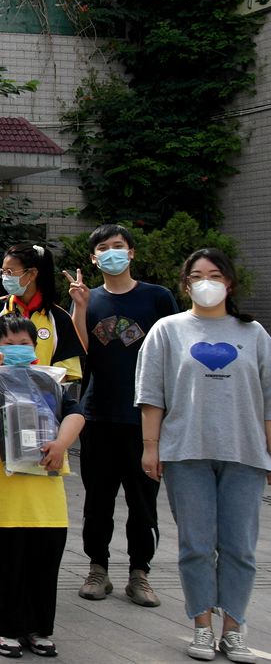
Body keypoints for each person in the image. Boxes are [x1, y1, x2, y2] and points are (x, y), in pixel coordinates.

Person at [136, 247, 271, 664]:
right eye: (196, 276)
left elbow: (269, 399)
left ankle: (233, 629)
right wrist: (151, 447)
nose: (206, 282)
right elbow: (151, 394)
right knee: (195, 545)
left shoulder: (254, 334)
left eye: (214, 274)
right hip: (185, 452)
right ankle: (200, 625)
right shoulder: (167, 330)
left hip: (244, 453)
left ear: (229, 282)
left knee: (240, 548)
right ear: (185, 284)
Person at [72, 224, 176, 608]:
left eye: (119, 246)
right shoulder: (87, 298)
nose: (112, 252)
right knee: (97, 501)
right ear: (93, 258)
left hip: (144, 418)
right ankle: (97, 568)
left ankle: (139, 573)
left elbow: (173, 354)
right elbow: (81, 354)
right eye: (103, 247)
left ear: (131, 252)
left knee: (143, 502)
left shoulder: (157, 297)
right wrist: (80, 307)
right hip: (97, 416)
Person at [0, 316, 84, 658]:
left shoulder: (50, 380)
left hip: (47, 501)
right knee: (6, 570)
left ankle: (40, 630)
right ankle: (6, 630)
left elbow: (76, 414)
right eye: (9, 343)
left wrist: (61, 444)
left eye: (24, 343)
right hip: (2, 498)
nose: (17, 349)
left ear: (35, 347)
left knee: (44, 568)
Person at [0, 243, 84, 386]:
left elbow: (65, 374)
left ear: (32, 273)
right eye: (3, 272)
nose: (5, 277)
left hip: (45, 397)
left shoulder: (59, 318)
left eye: (10, 272)